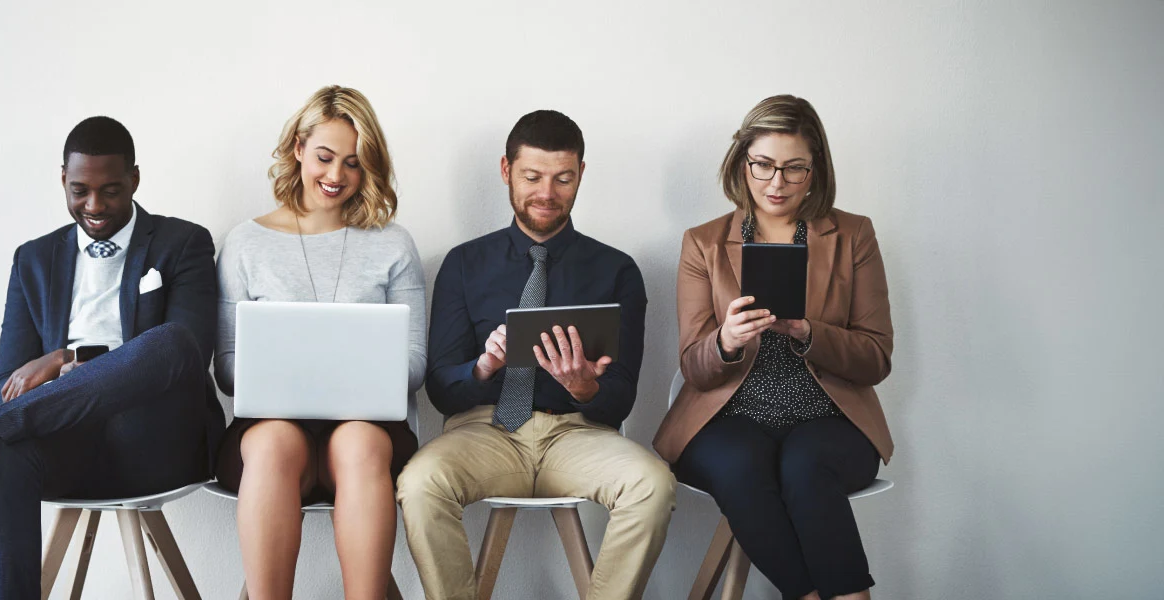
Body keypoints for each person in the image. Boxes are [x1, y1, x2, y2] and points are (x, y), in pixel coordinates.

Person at [0, 116, 226, 599]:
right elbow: (8, 382)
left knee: (171, 340)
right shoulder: (34, 259)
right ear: (62, 181)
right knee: (7, 457)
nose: (94, 206)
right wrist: (60, 370)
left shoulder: (184, 243)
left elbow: (188, 354)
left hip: (154, 441)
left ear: (134, 178)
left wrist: (66, 357)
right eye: (79, 190)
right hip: (70, 441)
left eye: (111, 190)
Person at [396, 110, 676, 600]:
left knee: (652, 485)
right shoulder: (463, 263)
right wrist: (484, 367)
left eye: (563, 178)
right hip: (484, 431)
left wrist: (584, 386)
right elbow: (441, 389)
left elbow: (621, 399)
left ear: (581, 176)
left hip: (577, 434)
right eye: (532, 177)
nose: (547, 193)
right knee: (419, 483)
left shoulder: (617, 271)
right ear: (506, 171)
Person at [653, 95, 895, 600]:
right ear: (742, 162)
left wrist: (810, 333)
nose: (776, 184)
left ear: (816, 169)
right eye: (762, 165)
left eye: (794, 169)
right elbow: (695, 370)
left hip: (829, 420)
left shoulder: (852, 235)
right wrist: (725, 341)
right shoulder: (704, 243)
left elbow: (875, 358)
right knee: (744, 463)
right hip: (727, 418)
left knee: (804, 464)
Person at [212, 85, 426, 600]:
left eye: (353, 164)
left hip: (367, 432)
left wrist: (341, 382)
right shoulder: (246, 242)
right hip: (270, 428)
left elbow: (415, 361)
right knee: (271, 443)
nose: (335, 177)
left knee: (357, 441)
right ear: (298, 149)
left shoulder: (392, 243)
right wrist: (288, 377)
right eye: (325, 158)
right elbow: (226, 365)